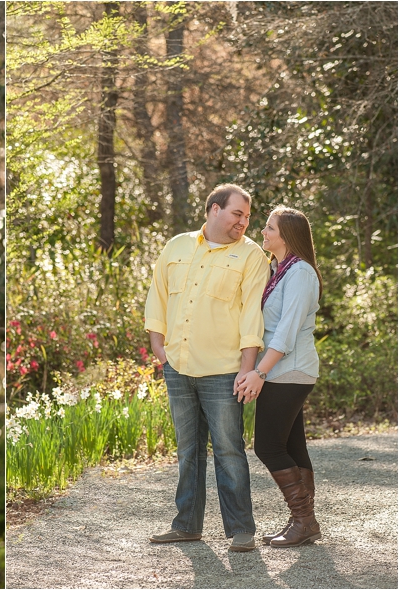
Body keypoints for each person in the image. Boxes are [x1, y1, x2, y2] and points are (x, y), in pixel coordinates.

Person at [144, 184, 268, 552]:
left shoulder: (251, 256)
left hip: (223, 370)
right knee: (187, 450)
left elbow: (251, 315)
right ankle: (186, 525)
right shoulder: (177, 246)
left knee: (229, 450)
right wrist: (158, 347)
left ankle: (241, 529)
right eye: (237, 214)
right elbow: (158, 294)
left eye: (247, 216)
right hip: (178, 366)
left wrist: (248, 368)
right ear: (215, 209)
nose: (244, 222)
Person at [235, 206, 323, 547]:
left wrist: (259, 372)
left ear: (286, 234)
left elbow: (285, 333)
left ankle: (304, 520)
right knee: (291, 445)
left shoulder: (300, 273)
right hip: (281, 370)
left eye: (269, 227)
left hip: (290, 369)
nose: (263, 232)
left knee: (269, 447)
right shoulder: (278, 270)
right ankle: (303, 523)